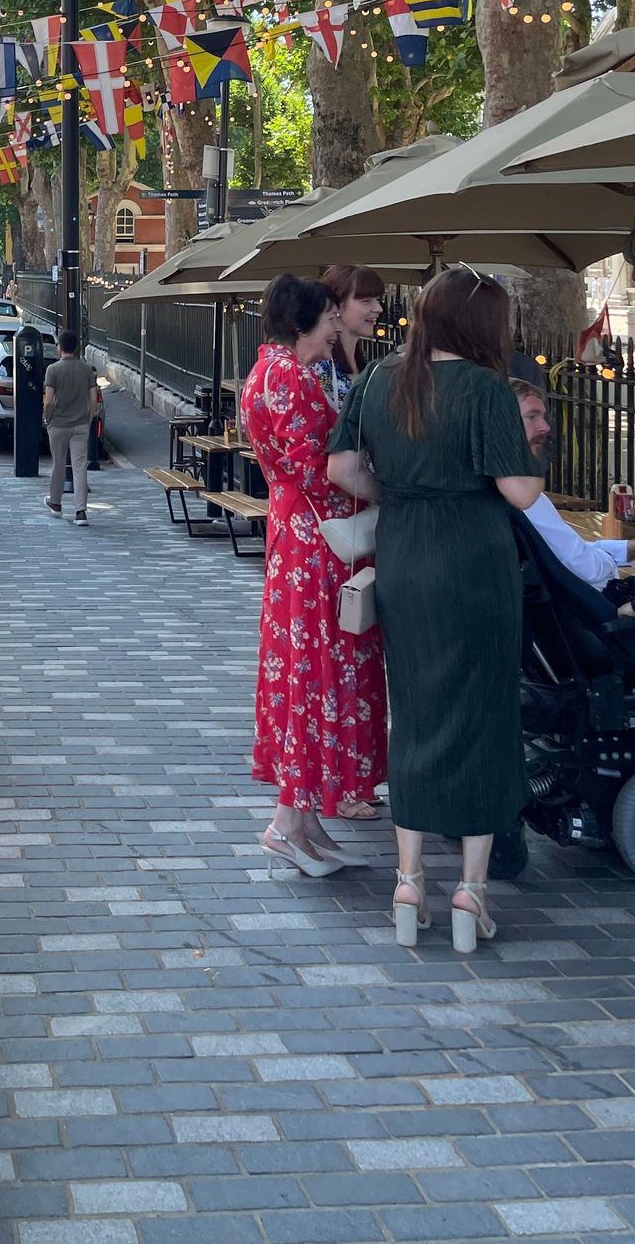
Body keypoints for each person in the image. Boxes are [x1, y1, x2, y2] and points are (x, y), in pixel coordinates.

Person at [327, 267, 545, 954]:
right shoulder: (486, 388)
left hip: (405, 557)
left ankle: (409, 880)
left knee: (414, 711)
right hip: (474, 560)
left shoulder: (378, 379)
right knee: (485, 715)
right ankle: (470, 892)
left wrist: (400, 490)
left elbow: (340, 469)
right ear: (481, 325)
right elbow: (521, 492)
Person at [240, 275, 389, 875]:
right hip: (316, 542)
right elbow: (322, 471)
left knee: (304, 670)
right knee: (315, 671)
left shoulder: (269, 370)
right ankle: (286, 822)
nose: (335, 328)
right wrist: (385, 493)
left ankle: (303, 818)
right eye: (328, 318)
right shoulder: (293, 378)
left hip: (297, 536)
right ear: (303, 323)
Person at [512, 379, 635, 616]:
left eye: (542, 416)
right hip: (603, 611)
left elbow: (570, 553)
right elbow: (583, 567)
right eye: (532, 417)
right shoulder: (523, 497)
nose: (545, 427)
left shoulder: (505, 492)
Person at [43, 328, 100, 526]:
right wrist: (88, 419)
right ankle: (81, 511)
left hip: (58, 423)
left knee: (58, 464)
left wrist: (48, 419)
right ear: (76, 347)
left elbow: (48, 401)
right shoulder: (87, 369)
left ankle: (56, 502)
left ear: (59, 347)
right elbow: (93, 400)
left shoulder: (53, 370)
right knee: (79, 467)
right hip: (81, 423)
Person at [317, 265, 387, 409]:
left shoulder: (365, 365)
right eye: (366, 301)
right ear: (337, 305)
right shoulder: (318, 367)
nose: (378, 309)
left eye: (378, 300)